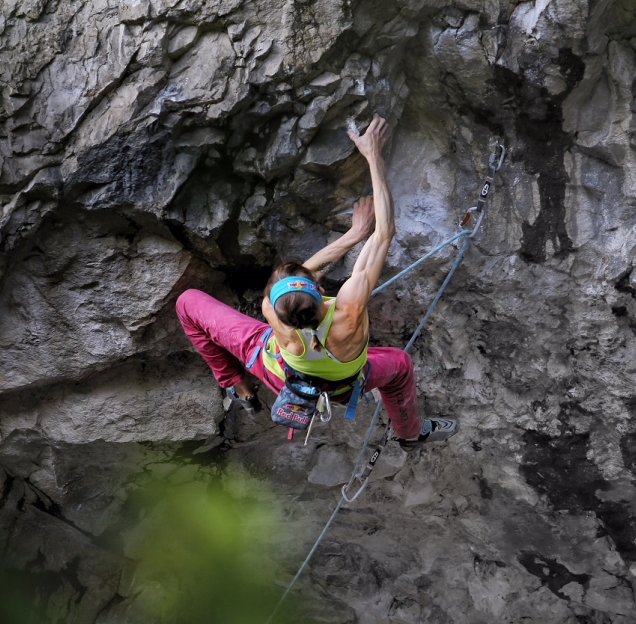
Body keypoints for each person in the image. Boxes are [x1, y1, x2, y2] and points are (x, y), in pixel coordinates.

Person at [176, 115, 456, 446]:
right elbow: (385, 232)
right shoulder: (348, 311)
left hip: (278, 374)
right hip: (340, 389)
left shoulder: (271, 311)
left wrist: (352, 236)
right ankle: (410, 434)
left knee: (187, 304)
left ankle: (236, 383)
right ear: (321, 291)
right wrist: (373, 156)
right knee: (399, 366)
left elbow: (299, 281)